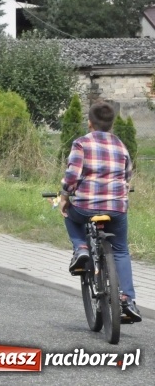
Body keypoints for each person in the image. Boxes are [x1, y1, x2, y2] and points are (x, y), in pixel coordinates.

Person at [58, 101, 140, 323]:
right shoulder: (121, 146)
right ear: (112, 124)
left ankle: (81, 249)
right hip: (116, 208)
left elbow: (72, 175)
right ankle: (127, 300)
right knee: (121, 250)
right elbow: (127, 176)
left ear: (89, 122)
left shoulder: (81, 143)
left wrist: (64, 196)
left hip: (85, 207)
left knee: (67, 212)